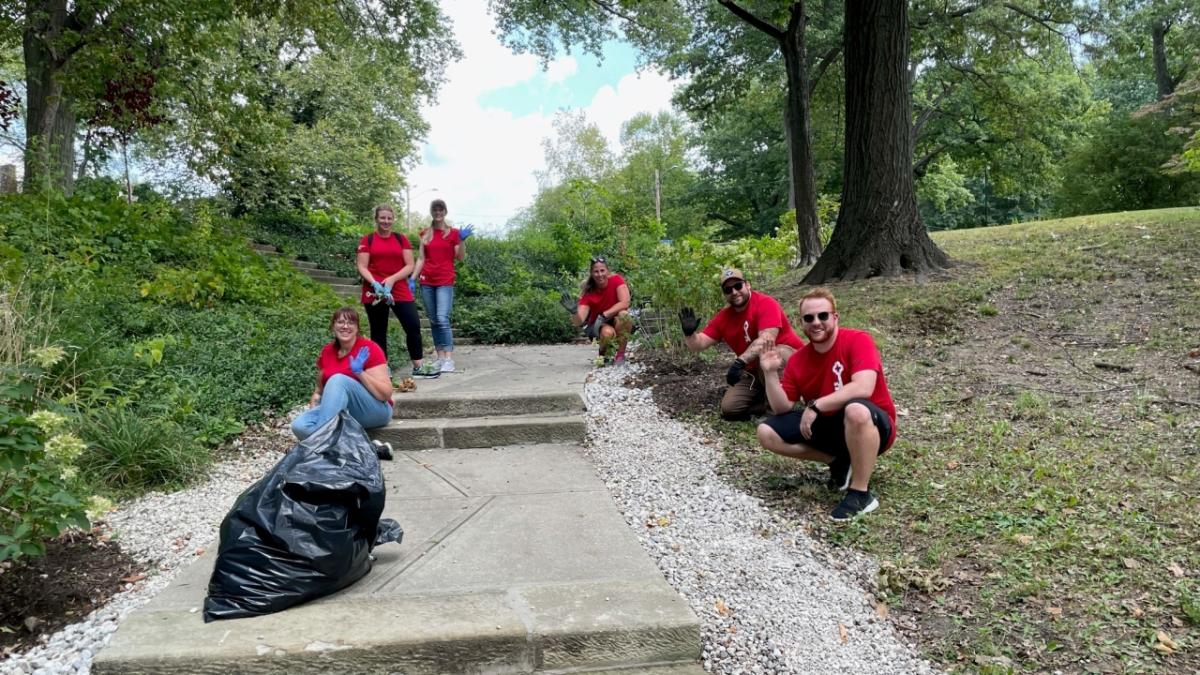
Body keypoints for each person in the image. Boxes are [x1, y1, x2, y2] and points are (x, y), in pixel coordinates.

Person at [755, 287, 897, 521]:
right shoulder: (799, 360)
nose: (816, 322)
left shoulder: (857, 340)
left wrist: (815, 405)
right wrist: (770, 374)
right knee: (766, 431)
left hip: (872, 426)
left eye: (823, 315)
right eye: (808, 318)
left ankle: (861, 493)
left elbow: (863, 387)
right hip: (832, 428)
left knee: (855, 409)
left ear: (835, 317)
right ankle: (838, 461)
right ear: (801, 323)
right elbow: (782, 408)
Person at [679, 268, 805, 420]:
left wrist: (739, 362)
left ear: (747, 285)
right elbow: (698, 345)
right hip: (754, 371)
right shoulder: (724, 318)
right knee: (730, 409)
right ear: (724, 294)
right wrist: (689, 334)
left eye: (738, 286)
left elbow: (766, 339)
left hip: (790, 362)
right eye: (728, 289)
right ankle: (766, 399)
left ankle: (777, 413)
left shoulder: (765, 303)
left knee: (771, 353)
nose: (734, 292)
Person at [356, 204, 439, 379]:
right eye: (382, 218)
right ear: (376, 219)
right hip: (375, 290)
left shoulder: (401, 239)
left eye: (389, 218)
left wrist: (392, 279)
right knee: (378, 330)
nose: (386, 221)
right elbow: (362, 266)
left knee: (413, 325)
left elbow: (409, 265)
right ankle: (381, 369)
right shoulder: (367, 240)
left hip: (399, 288)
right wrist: (374, 282)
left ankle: (418, 366)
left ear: (393, 219)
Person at [292, 307, 395, 440]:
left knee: (338, 380)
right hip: (337, 409)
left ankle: (323, 441)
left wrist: (360, 373)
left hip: (374, 410)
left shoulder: (370, 349)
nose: (345, 326)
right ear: (333, 326)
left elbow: (385, 394)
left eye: (351, 323)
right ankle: (360, 446)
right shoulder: (327, 351)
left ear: (357, 328)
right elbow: (318, 392)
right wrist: (314, 407)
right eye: (340, 322)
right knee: (300, 426)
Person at [412, 198, 473, 373]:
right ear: (432, 212)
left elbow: (460, 257)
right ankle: (439, 357)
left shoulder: (453, 233)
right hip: (427, 281)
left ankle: (448, 358)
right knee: (433, 320)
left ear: (445, 212)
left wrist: (461, 240)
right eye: (435, 209)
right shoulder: (425, 233)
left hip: (445, 280)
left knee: (442, 318)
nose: (438, 212)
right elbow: (421, 258)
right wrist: (412, 278)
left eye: (441, 209)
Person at [559, 257, 632, 365]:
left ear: (607, 271)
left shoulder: (616, 280)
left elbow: (625, 302)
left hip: (615, 318)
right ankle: (602, 354)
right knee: (607, 334)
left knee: (624, 315)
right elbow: (578, 322)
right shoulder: (588, 293)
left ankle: (620, 356)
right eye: (596, 271)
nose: (600, 274)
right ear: (592, 273)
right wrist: (574, 312)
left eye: (602, 270)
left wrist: (605, 314)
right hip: (599, 325)